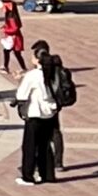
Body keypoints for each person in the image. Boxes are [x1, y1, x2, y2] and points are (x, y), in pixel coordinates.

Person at [13, 44, 62, 184]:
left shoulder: (33, 75)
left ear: (37, 60)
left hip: (35, 113)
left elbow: (21, 94)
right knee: (45, 145)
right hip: (50, 112)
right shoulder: (54, 72)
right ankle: (47, 174)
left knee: (30, 146)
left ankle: (28, 176)